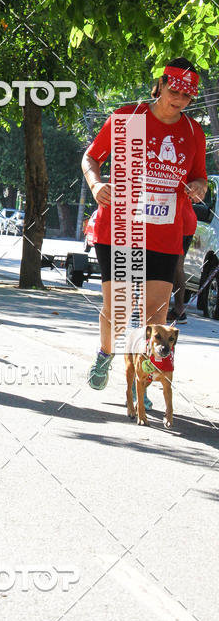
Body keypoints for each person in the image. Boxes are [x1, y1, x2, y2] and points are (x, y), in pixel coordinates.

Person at [81, 58, 207, 392]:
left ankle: (143, 380)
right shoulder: (129, 118)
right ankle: (105, 354)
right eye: (175, 91)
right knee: (119, 308)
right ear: (161, 85)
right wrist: (96, 185)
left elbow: (199, 178)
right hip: (120, 227)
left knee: (156, 313)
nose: (179, 100)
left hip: (165, 232)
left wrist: (198, 187)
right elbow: (91, 157)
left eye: (187, 96)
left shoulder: (193, 132)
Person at [167, 191, 198, 324]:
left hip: (178, 220)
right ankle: (176, 309)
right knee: (176, 265)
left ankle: (178, 310)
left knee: (174, 265)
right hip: (187, 220)